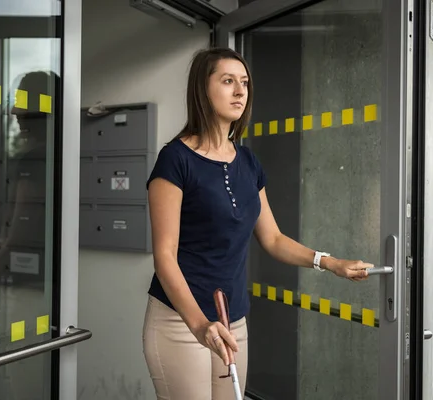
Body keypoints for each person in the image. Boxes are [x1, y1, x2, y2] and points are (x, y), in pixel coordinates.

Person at [142, 47, 373, 400]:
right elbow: (165, 257)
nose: (240, 91)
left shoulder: (247, 161)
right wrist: (201, 325)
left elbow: (274, 238)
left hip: (233, 320)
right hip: (180, 323)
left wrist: (330, 263)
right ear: (203, 90)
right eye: (228, 81)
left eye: (245, 83)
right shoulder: (175, 159)